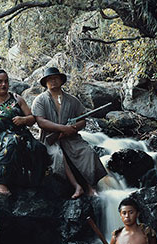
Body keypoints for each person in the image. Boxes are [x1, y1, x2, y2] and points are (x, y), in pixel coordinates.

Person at [31, 67, 107, 196]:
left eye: (55, 78)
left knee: (87, 152)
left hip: (71, 137)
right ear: (45, 83)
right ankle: (77, 187)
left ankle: (91, 187)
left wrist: (72, 129)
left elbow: (83, 121)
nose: (53, 81)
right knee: (57, 155)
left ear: (61, 80)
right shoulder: (40, 100)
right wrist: (62, 129)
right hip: (50, 139)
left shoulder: (72, 100)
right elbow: (41, 122)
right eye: (49, 79)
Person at [0, 69, 49, 195]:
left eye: (6, 81)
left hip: (21, 133)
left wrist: (23, 119)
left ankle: (29, 181)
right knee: (12, 142)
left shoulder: (16, 98)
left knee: (38, 148)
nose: (3, 84)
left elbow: (31, 119)